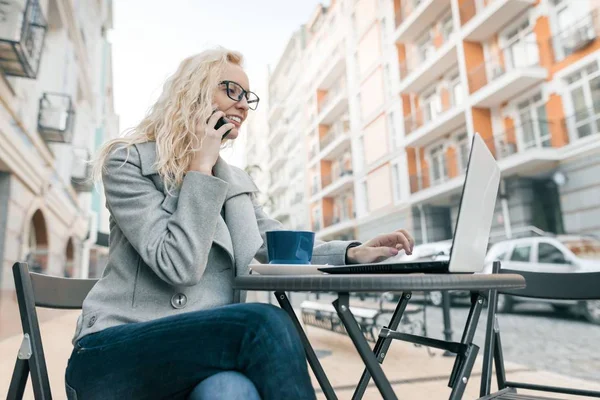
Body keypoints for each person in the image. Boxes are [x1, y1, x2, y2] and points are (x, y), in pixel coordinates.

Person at [64, 47, 414, 400]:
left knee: (232, 390)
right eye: (232, 91)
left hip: (202, 358)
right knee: (264, 324)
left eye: (248, 97)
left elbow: (274, 241)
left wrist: (353, 252)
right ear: (193, 92)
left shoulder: (232, 181)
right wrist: (199, 169)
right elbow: (179, 266)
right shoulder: (128, 163)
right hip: (114, 355)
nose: (244, 106)